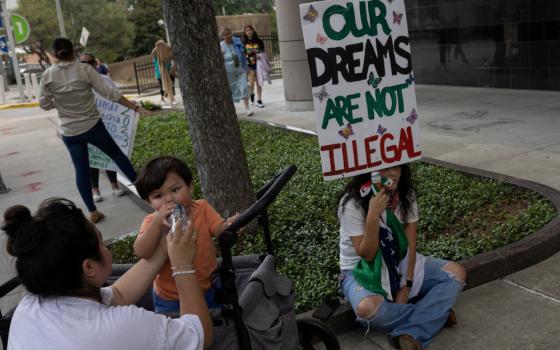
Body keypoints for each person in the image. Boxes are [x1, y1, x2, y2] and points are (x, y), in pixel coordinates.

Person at [2, 197, 213, 349]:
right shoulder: (121, 327)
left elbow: (117, 295)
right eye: (102, 242)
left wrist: (164, 250)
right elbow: (199, 335)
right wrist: (182, 264)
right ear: (89, 267)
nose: (106, 248)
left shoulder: (29, 307)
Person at [337, 164, 466, 350]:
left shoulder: (406, 194)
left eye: (396, 166)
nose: (392, 173)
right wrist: (373, 215)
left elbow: (411, 244)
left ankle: (412, 331)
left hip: (399, 262)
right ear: (369, 172)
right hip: (361, 270)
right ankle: (436, 314)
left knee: (455, 273)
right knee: (367, 309)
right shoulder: (352, 203)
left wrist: (407, 285)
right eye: (384, 169)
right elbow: (368, 255)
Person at [39, 38, 149, 223]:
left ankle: (92, 211)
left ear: (54, 53)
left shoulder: (48, 75)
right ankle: (145, 195)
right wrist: (136, 108)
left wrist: (56, 102)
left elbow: (44, 104)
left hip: (69, 131)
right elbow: (111, 93)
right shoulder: (85, 70)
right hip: (92, 126)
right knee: (118, 156)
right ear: (73, 51)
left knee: (80, 170)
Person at [134, 156, 239, 314]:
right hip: (170, 299)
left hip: (207, 289)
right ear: (149, 202)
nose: (168, 199)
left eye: (175, 190)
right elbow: (142, 251)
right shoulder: (152, 222)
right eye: (158, 196)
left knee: (215, 327)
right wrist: (156, 225)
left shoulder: (202, 209)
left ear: (190, 187)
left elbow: (220, 231)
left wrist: (231, 226)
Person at [79, 52, 127, 202]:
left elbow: (117, 97)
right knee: (92, 157)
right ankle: (95, 190)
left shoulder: (106, 80)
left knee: (108, 155)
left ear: (96, 63)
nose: (87, 66)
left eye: (90, 62)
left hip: (108, 123)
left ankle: (114, 185)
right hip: (87, 125)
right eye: (83, 63)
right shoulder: (78, 83)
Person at [220, 27, 253, 116]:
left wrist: (246, 68)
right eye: (226, 35)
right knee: (231, 90)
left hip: (240, 70)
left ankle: (247, 109)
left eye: (229, 33)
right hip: (229, 72)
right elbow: (220, 61)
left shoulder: (236, 42)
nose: (228, 36)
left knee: (244, 87)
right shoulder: (221, 45)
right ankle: (231, 110)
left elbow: (242, 55)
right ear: (222, 36)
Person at [242, 25, 270, 108]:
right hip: (249, 64)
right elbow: (243, 54)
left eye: (250, 30)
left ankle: (259, 100)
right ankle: (252, 94)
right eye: (246, 30)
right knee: (251, 84)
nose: (248, 31)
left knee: (259, 82)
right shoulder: (243, 42)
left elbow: (263, 52)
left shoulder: (259, 41)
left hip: (258, 64)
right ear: (245, 32)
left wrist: (259, 55)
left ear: (253, 31)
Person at [151, 40, 176, 107]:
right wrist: (158, 45)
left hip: (169, 72)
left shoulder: (167, 55)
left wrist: (163, 44)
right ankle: (162, 99)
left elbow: (169, 49)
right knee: (162, 87)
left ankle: (173, 98)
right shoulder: (156, 56)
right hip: (160, 74)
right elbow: (152, 53)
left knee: (171, 85)